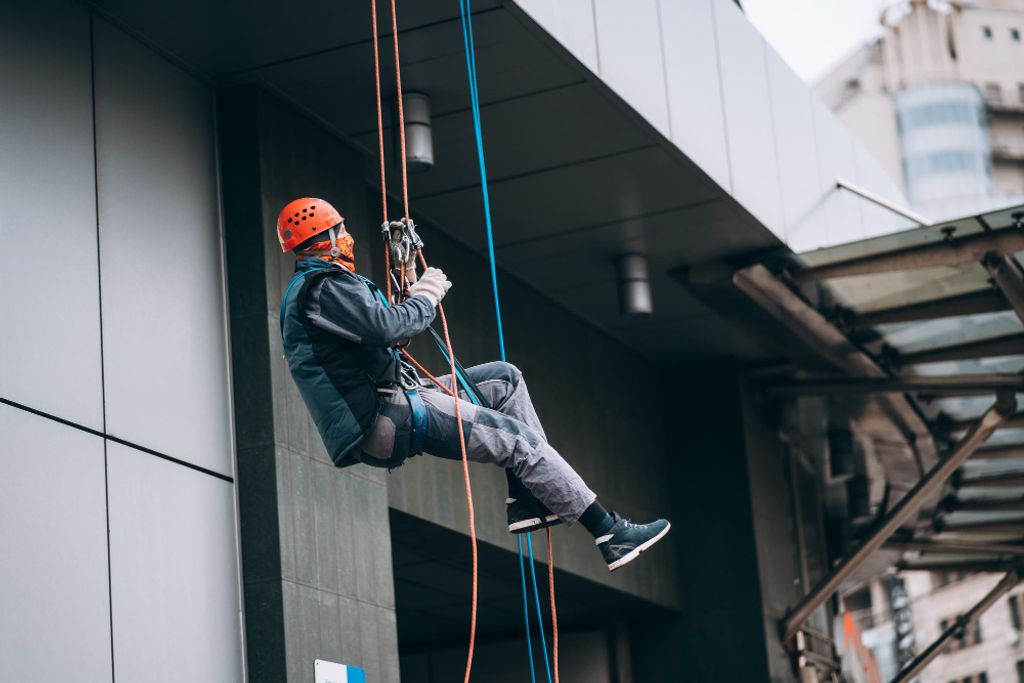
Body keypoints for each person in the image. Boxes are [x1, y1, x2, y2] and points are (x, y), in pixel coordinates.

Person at [277, 197, 670, 571]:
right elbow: (390, 327)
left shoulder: (323, 288)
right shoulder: (324, 287)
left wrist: (409, 280)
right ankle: (610, 532)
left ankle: (528, 500)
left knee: (504, 379)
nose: (347, 237)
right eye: (340, 230)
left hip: (393, 403)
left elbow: (389, 334)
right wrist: (426, 297)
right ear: (325, 239)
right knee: (517, 440)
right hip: (386, 415)